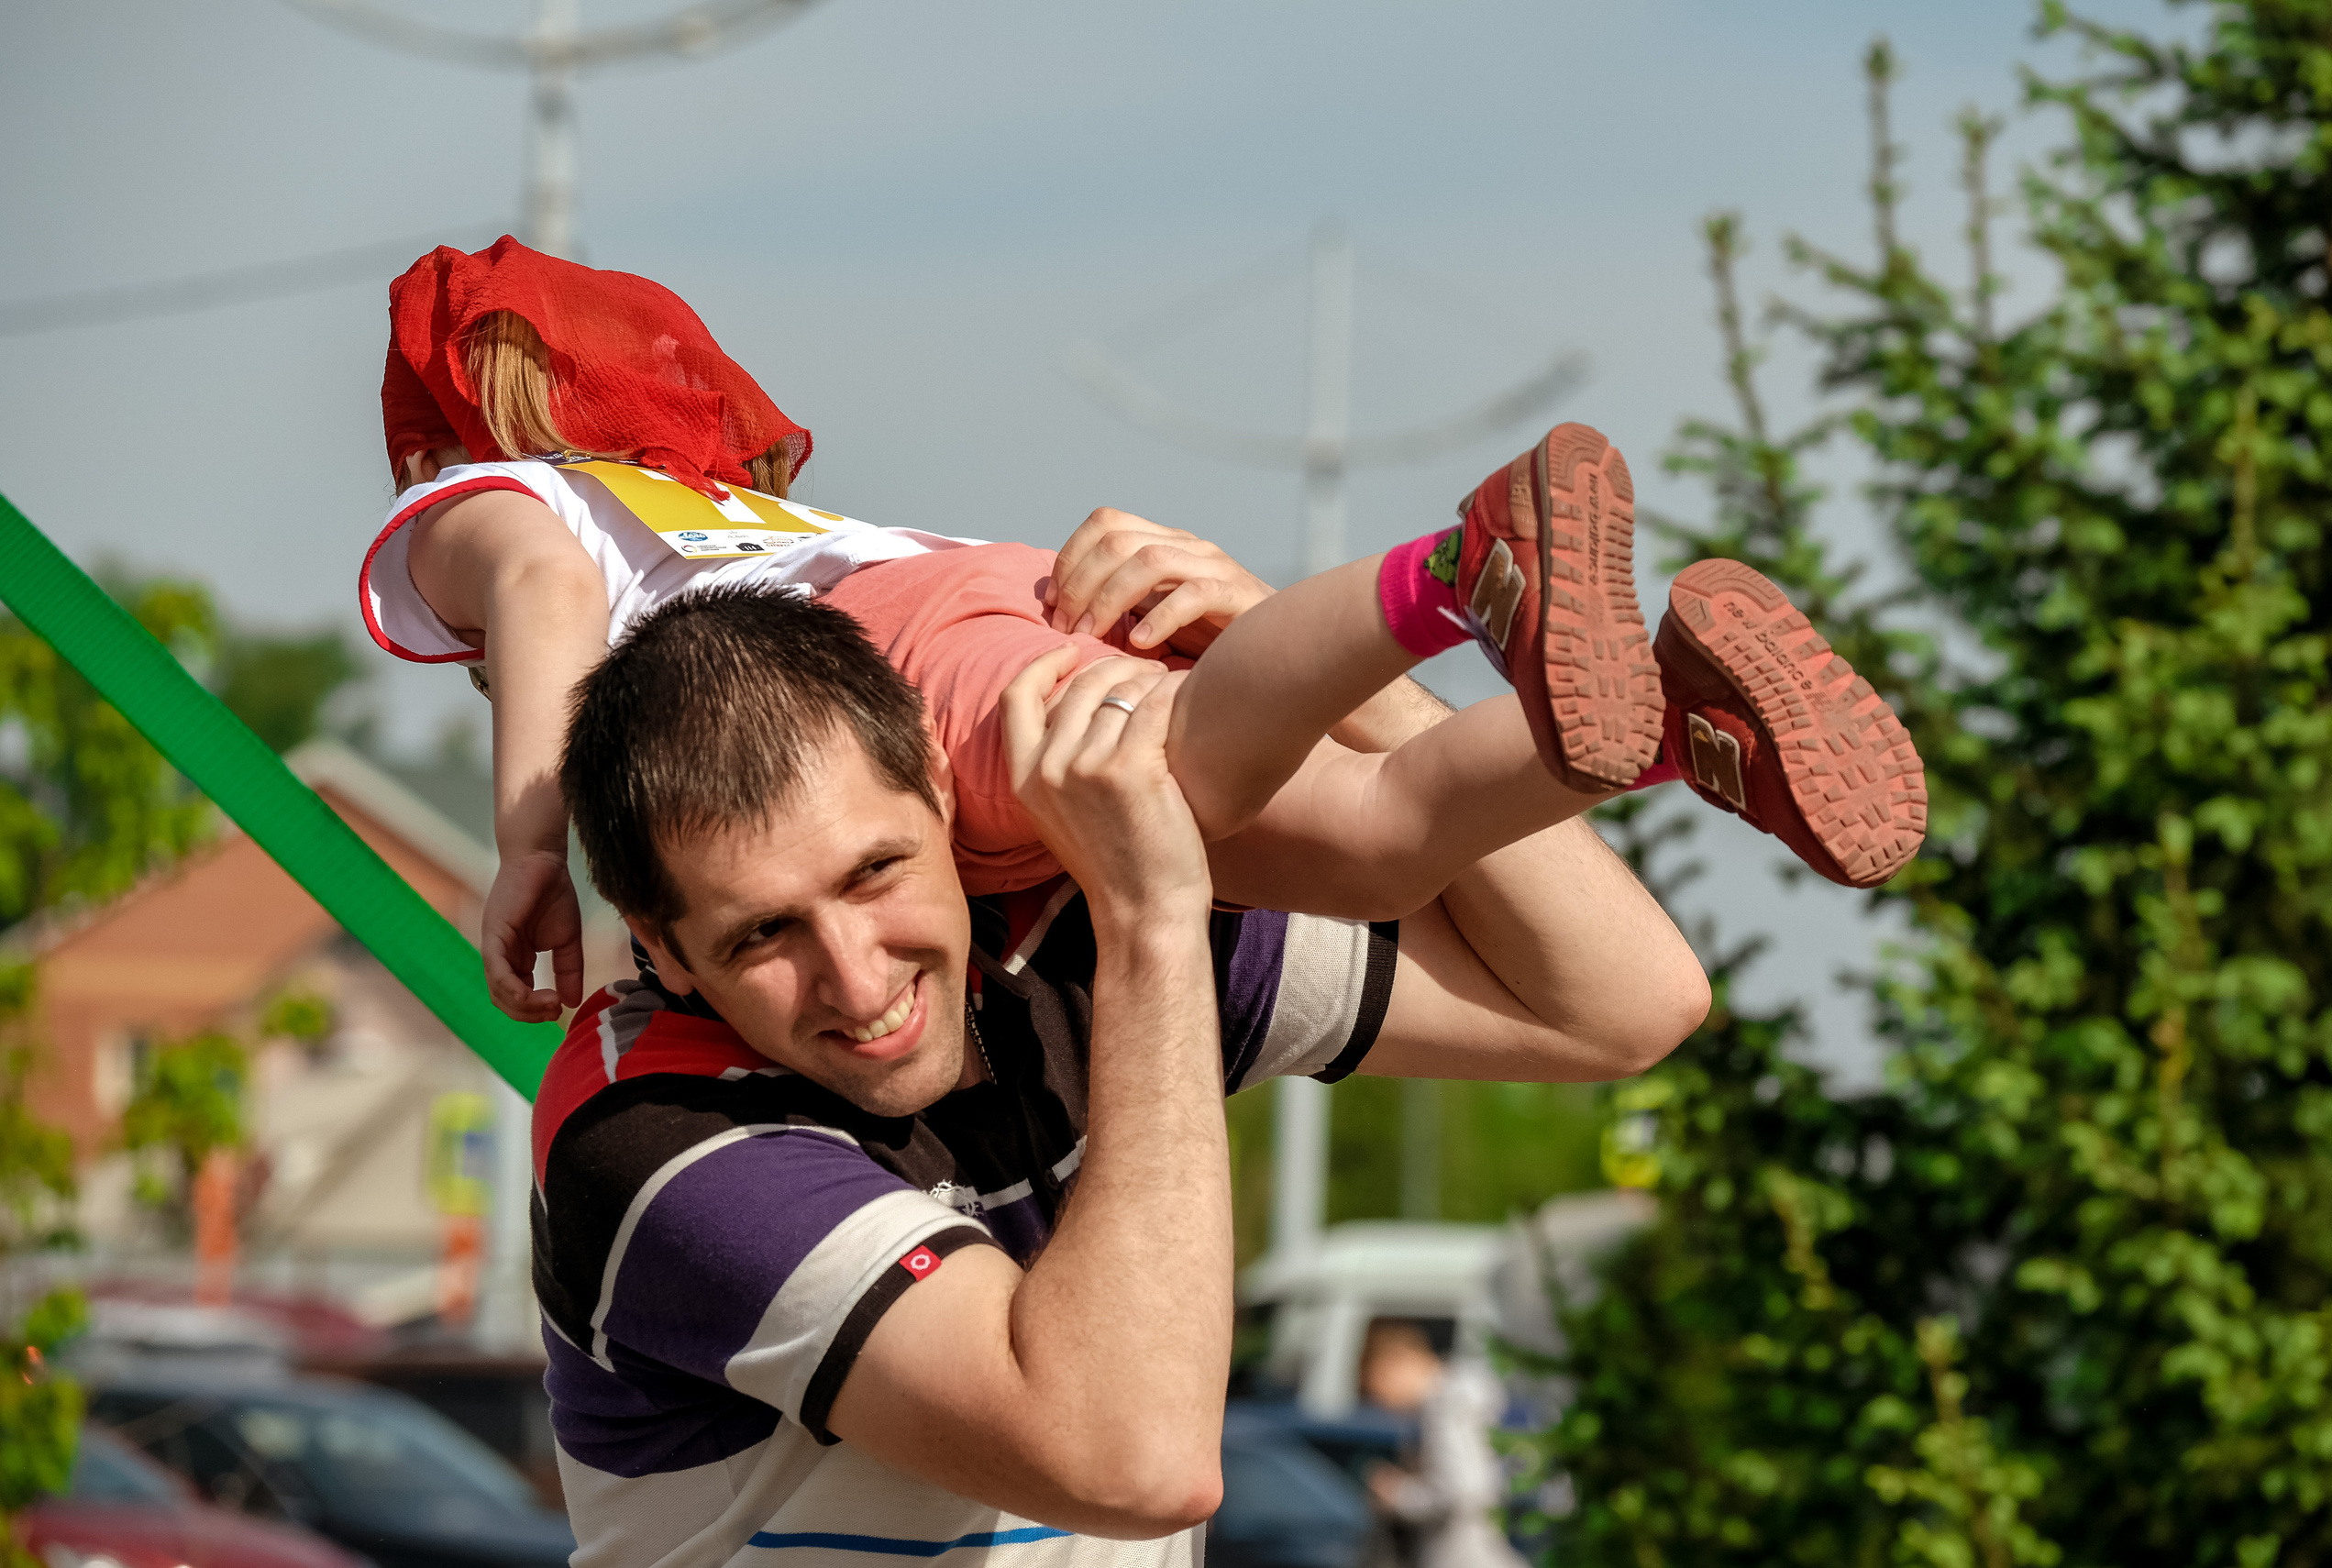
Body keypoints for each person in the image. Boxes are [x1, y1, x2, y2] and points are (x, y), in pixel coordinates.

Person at [360, 237, 1929, 1023]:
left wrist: (526, 854)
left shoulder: (479, 511)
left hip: (865, 699)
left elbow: (549, 595)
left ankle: (1456, 573)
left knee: (1243, 784)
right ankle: (1668, 716)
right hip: (985, 592)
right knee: (1379, 843)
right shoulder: (717, 507)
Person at [532, 572, 1711, 1565]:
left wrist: (1365, 694)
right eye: (759, 935)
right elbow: (1135, 1461)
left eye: (874, 873)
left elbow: (1619, 1005)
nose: (854, 979)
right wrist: (1154, 918)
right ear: (663, 947)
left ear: (942, 791)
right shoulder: (651, 1137)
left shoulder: (1070, 954)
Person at [1358, 1320, 1526, 1568]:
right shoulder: (1461, 1396)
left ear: (1394, 1364)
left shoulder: (1445, 1407)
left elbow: (1464, 1489)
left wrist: (1399, 1495)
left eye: (1377, 1386)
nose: (1383, 1403)